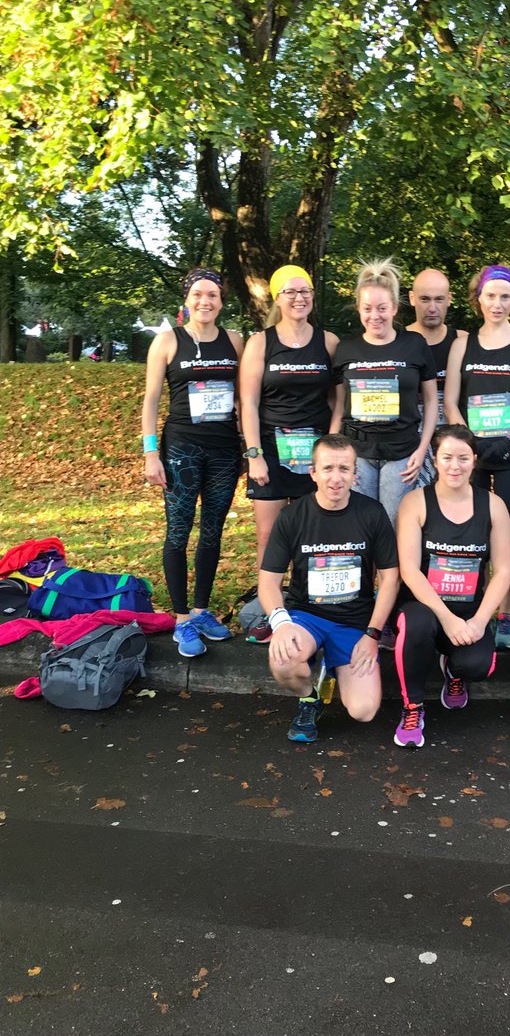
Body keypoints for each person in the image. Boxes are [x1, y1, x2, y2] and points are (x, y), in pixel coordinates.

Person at [258, 435, 400, 743]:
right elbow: (268, 581)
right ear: (313, 472)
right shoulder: (292, 517)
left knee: (363, 710)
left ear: (354, 474)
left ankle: (334, 666)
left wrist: (373, 634)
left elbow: (390, 578)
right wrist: (280, 624)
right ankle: (309, 698)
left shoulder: (372, 514)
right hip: (306, 616)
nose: (336, 478)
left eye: (344, 469)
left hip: (354, 621)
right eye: (328, 468)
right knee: (283, 662)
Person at [141, 268, 244, 657]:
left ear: (221, 300)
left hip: (223, 449)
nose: (206, 301)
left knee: (213, 531)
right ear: (187, 298)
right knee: (179, 531)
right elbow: (151, 400)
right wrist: (151, 452)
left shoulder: (234, 340)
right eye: (199, 294)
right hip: (181, 447)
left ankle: (202, 611)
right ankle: (182, 619)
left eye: (213, 295)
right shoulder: (168, 341)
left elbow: (246, 393)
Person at [443, 265, 510, 648]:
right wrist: (468, 442)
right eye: (491, 296)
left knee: (508, 531)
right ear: (479, 299)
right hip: (471, 455)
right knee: (473, 532)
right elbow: (451, 400)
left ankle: (504, 616)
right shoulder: (462, 345)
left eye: (506, 296)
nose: (498, 303)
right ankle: (473, 609)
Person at [393, 424, 510, 748]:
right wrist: (447, 618)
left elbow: (503, 570)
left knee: (479, 665)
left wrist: (478, 620)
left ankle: (454, 669)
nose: (455, 466)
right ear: (434, 459)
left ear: (474, 460)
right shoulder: (415, 503)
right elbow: (410, 571)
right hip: (424, 605)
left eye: (463, 458)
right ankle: (412, 706)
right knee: (417, 624)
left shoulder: (493, 505)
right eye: (447, 457)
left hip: (470, 609)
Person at [239, 265, 340, 568]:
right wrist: (254, 454)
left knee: (314, 534)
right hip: (270, 450)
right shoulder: (260, 343)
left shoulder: (328, 342)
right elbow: (248, 402)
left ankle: (307, 601)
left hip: (315, 453)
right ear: (277, 299)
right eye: (291, 292)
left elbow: (338, 401)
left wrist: (330, 449)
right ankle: (268, 603)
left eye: (305, 291)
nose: (299, 298)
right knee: (268, 535)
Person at [332, 260, 438, 525]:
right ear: (358, 309)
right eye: (367, 309)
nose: (374, 316)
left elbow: (431, 400)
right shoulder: (346, 349)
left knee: (393, 526)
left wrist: (422, 450)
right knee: (360, 526)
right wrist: (336, 454)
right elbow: (339, 405)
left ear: (394, 308)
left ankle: (391, 570)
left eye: (382, 308)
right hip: (357, 453)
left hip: (402, 452)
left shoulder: (414, 344)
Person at [406, 268, 458, 484]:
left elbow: (498, 344)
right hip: (409, 439)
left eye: (439, 299)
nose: (432, 308)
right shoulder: (398, 341)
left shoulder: (462, 342)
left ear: (449, 299)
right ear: (412, 298)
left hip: (452, 440)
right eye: (425, 299)